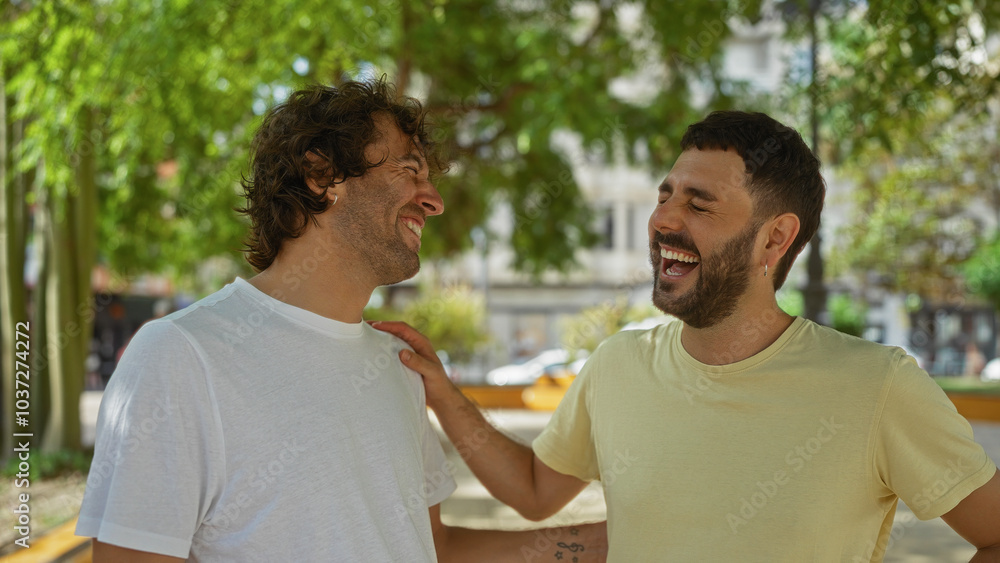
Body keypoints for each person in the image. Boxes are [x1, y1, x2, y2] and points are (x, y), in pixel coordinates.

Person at [375, 110, 1000, 561]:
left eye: (699, 205)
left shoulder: (877, 386)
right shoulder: (618, 365)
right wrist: (443, 392)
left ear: (775, 239)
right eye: (665, 195)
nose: (662, 221)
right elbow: (536, 493)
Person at [76, 79, 607, 562]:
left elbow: (430, 547)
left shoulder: (397, 366)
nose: (435, 200)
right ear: (321, 174)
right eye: (409, 170)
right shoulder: (180, 356)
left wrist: (609, 542)